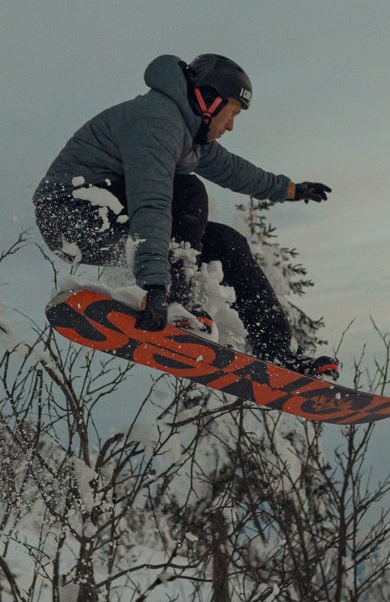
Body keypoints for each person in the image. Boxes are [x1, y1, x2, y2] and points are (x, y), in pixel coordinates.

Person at [33, 53, 337, 377]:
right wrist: (157, 287)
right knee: (188, 191)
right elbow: (152, 202)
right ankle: (180, 301)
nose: (231, 126)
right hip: (71, 215)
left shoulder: (189, 134)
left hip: (114, 213)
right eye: (231, 113)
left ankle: (276, 352)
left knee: (229, 244)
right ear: (209, 101)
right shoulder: (158, 121)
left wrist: (289, 189)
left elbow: (235, 171)